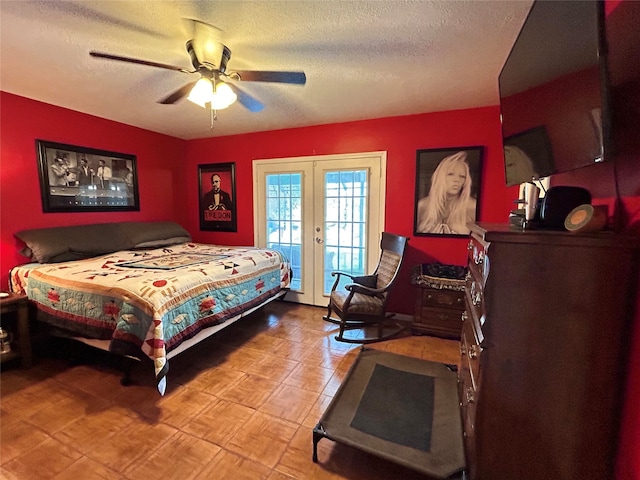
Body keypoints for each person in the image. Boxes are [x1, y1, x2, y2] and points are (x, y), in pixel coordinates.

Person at [416, 151, 477, 235]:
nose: (456, 180)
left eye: (462, 176)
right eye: (450, 174)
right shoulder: (422, 206)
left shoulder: (472, 207)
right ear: (440, 177)